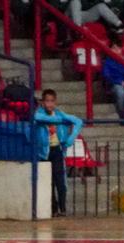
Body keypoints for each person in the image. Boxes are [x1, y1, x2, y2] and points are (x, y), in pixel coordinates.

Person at [34, 89, 83, 217]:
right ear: (43, 103)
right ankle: (53, 208)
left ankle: (63, 208)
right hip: (44, 153)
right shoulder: (39, 114)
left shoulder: (59, 114)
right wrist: (59, 120)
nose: (49, 104)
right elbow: (38, 118)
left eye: (52, 101)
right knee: (48, 182)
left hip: (57, 150)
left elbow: (78, 121)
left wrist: (71, 137)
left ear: (55, 102)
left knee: (60, 181)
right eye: (47, 101)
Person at [102, 36, 124, 118]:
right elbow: (107, 76)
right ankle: (123, 116)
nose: (116, 50)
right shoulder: (107, 62)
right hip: (114, 84)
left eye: (119, 48)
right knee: (120, 91)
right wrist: (120, 82)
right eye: (114, 48)